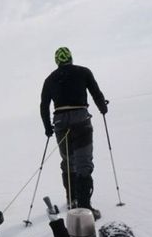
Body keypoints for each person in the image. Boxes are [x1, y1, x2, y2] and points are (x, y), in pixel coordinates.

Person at [40, 47, 108, 220]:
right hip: (81, 120)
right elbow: (96, 93)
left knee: (68, 161)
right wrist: (103, 107)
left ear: (57, 61)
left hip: (60, 123)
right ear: (70, 58)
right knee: (83, 163)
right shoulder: (84, 72)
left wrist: (48, 127)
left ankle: (72, 200)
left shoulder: (50, 79)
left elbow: (44, 105)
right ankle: (85, 209)